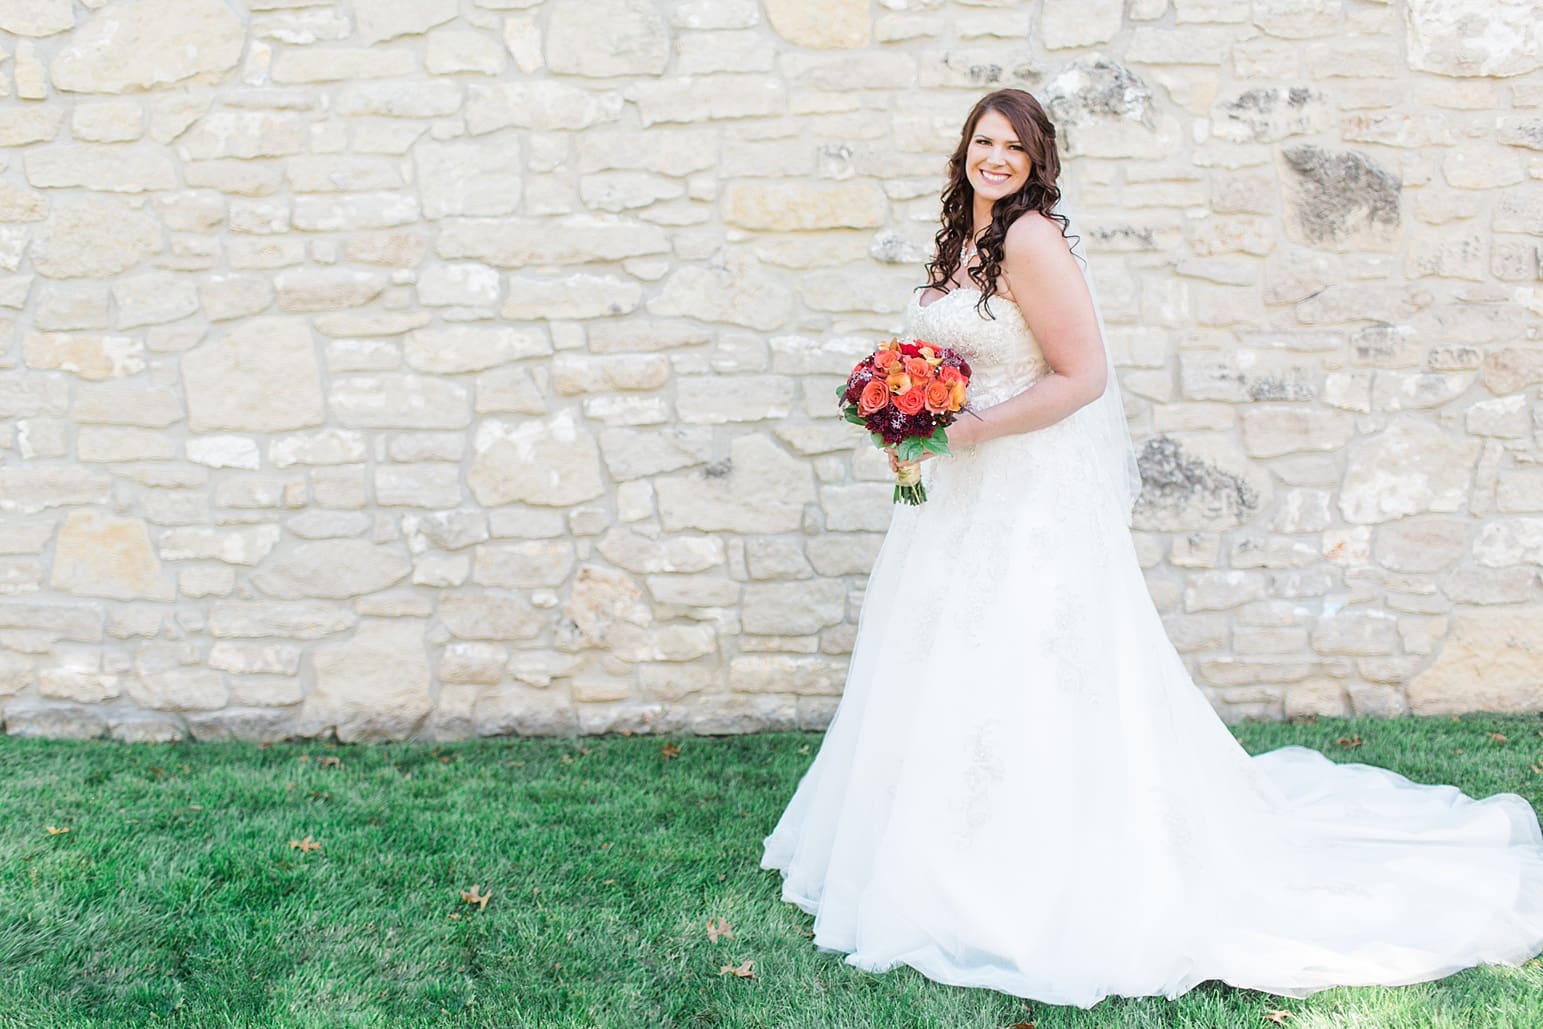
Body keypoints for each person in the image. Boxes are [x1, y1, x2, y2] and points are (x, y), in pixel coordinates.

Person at [759, 88, 1543, 1009]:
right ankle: (943, 844)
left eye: (1015, 146)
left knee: (1025, 663)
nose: (996, 158)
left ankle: (1027, 867)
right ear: (962, 150)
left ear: (1037, 159)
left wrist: (968, 432)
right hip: (957, 495)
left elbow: (1082, 377)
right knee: (946, 663)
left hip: (1019, 493)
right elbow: (954, 355)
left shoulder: (1029, 239)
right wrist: (909, 409)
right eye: (984, 141)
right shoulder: (966, 240)